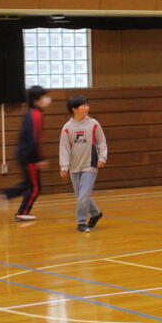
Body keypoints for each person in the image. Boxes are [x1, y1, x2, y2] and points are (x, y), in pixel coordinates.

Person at [0, 86, 51, 221]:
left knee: (28, 184)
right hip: (29, 156)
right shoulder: (35, 115)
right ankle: (22, 213)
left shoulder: (31, 113)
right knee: (35, 187)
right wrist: (39, 159)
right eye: (44, 97)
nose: (47, 99)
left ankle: (6, 195)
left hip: (24, 154)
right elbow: (34, 139)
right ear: (37, 100)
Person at [59, 95, 108, 233]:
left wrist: (102, 158)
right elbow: (64, 149)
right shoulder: (67, 128)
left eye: (87, 104)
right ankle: (96, 213)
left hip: (90, 166)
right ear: (74, 109)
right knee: (81, 196)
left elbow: (102, 142)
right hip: (74, 167)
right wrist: (64, 166)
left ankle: (81, 222)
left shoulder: (94, 124)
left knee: (83, 196)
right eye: (83, 105)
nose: (87, 107)